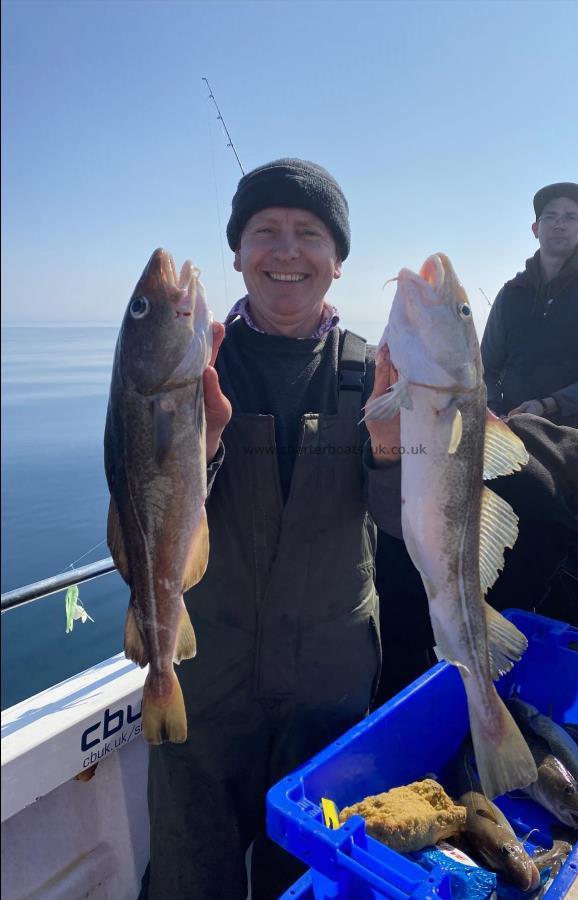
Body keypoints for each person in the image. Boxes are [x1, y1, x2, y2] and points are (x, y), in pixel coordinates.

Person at [140, 159, 402, 899]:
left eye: (308, 233)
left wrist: (387, 453)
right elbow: (140, 515)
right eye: (265, 231)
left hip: (330, 684)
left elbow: (402, 526)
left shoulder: (372, 372)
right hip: (204, 682)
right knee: (192, 876)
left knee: (315, 882)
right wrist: (203, 449)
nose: (285, 250)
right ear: (236, 253)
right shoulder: (184, 365)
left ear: (337, 261)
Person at [373, 414, 578, 708]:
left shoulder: (525, 434)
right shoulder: (552, 520)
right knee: (406, 705)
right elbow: (508, 612)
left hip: (379, 539)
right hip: (406, 598)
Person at [481, 182, 578, 443]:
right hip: (511, 439)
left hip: (576, 442)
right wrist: (493, 414)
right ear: (535, 228)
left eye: (570, 217)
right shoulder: (511, 293)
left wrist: (549, 404)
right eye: (549, 216)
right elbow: (486, 368)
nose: (559, 224)